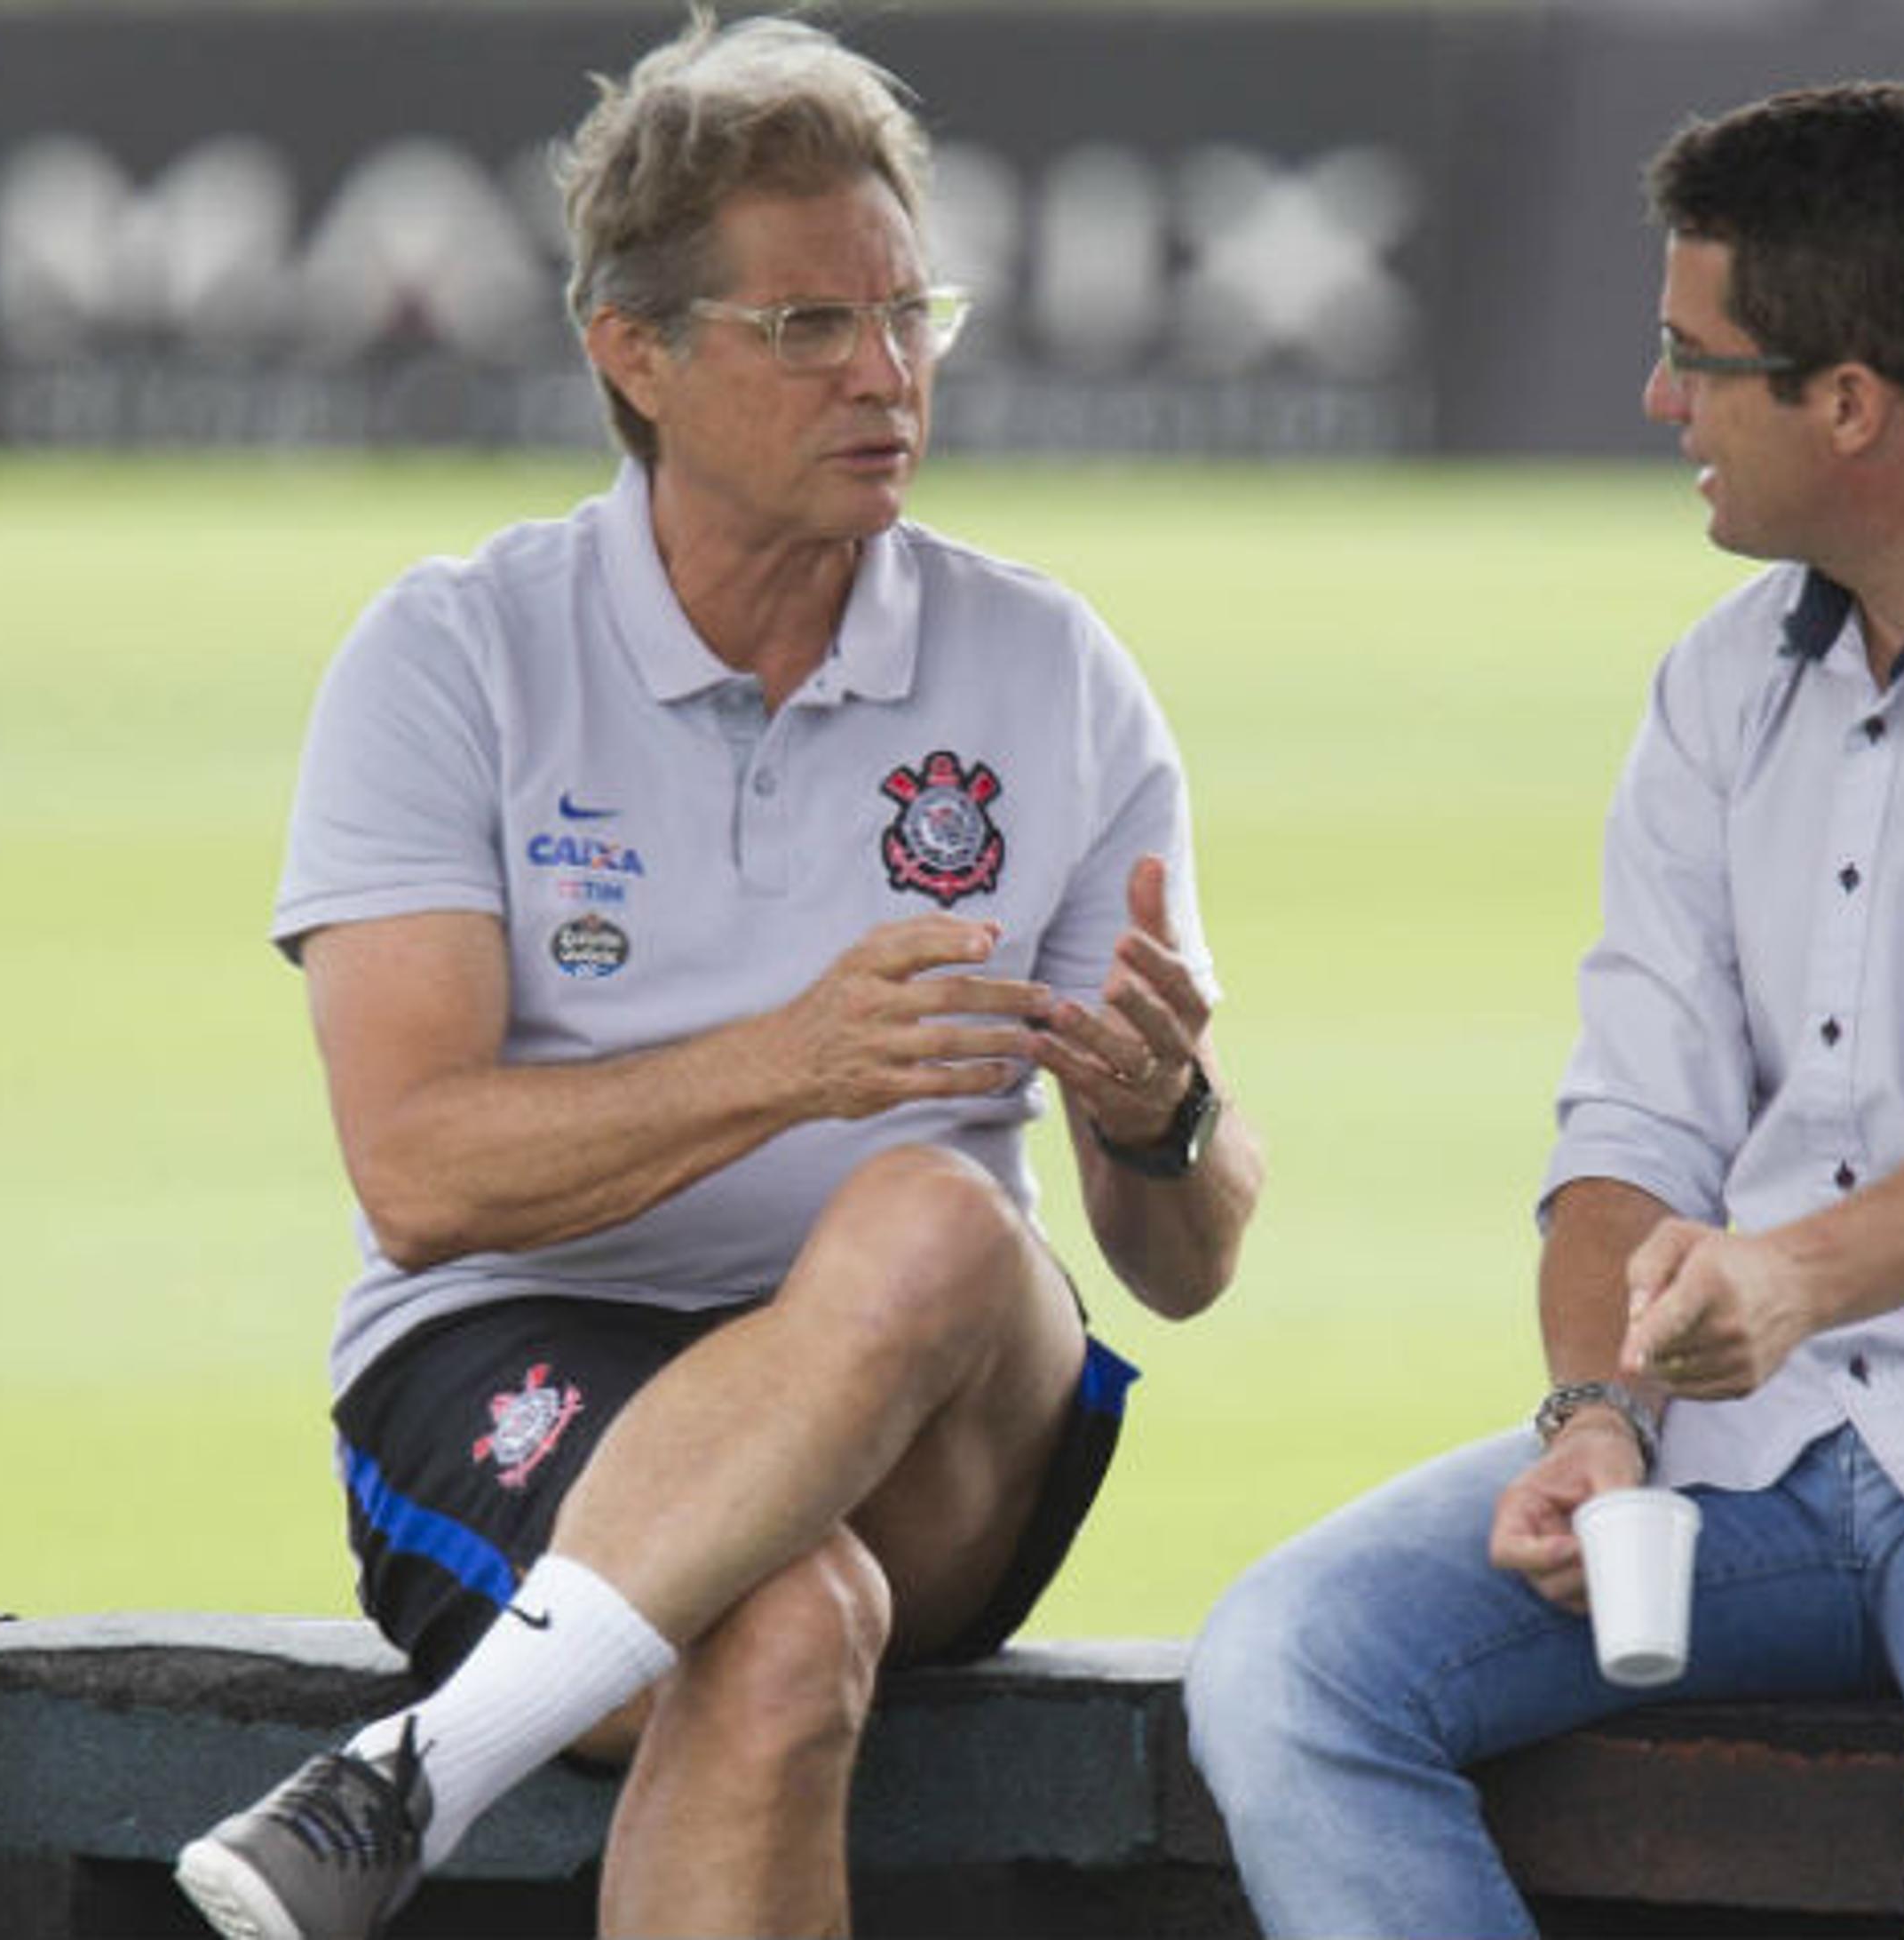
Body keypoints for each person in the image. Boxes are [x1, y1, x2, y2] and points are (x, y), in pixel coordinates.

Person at [1185, 79, 1904, 1940]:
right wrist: (1592, 1415)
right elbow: (1632, 1135)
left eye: (1696, 358)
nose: (1661, 401)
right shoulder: (1718, 689)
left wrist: (1794, 1278)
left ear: (1850, 399)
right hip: (1748, 1454)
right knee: (1288, 1662)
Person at [171, 16, 1262, 1940]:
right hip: (520, 1349)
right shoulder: (457, 653)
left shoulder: (1047, 670)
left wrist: (1165, 1125)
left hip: (945, 1402)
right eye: (811, 329)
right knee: (776, 1631)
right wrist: (791, 1062)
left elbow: (1181, 1266)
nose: (890, 375)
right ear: (634, 353)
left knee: (929, 1220)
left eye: (911, 313)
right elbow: (423, 1179)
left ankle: (425, 1768)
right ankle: (492, 1722)